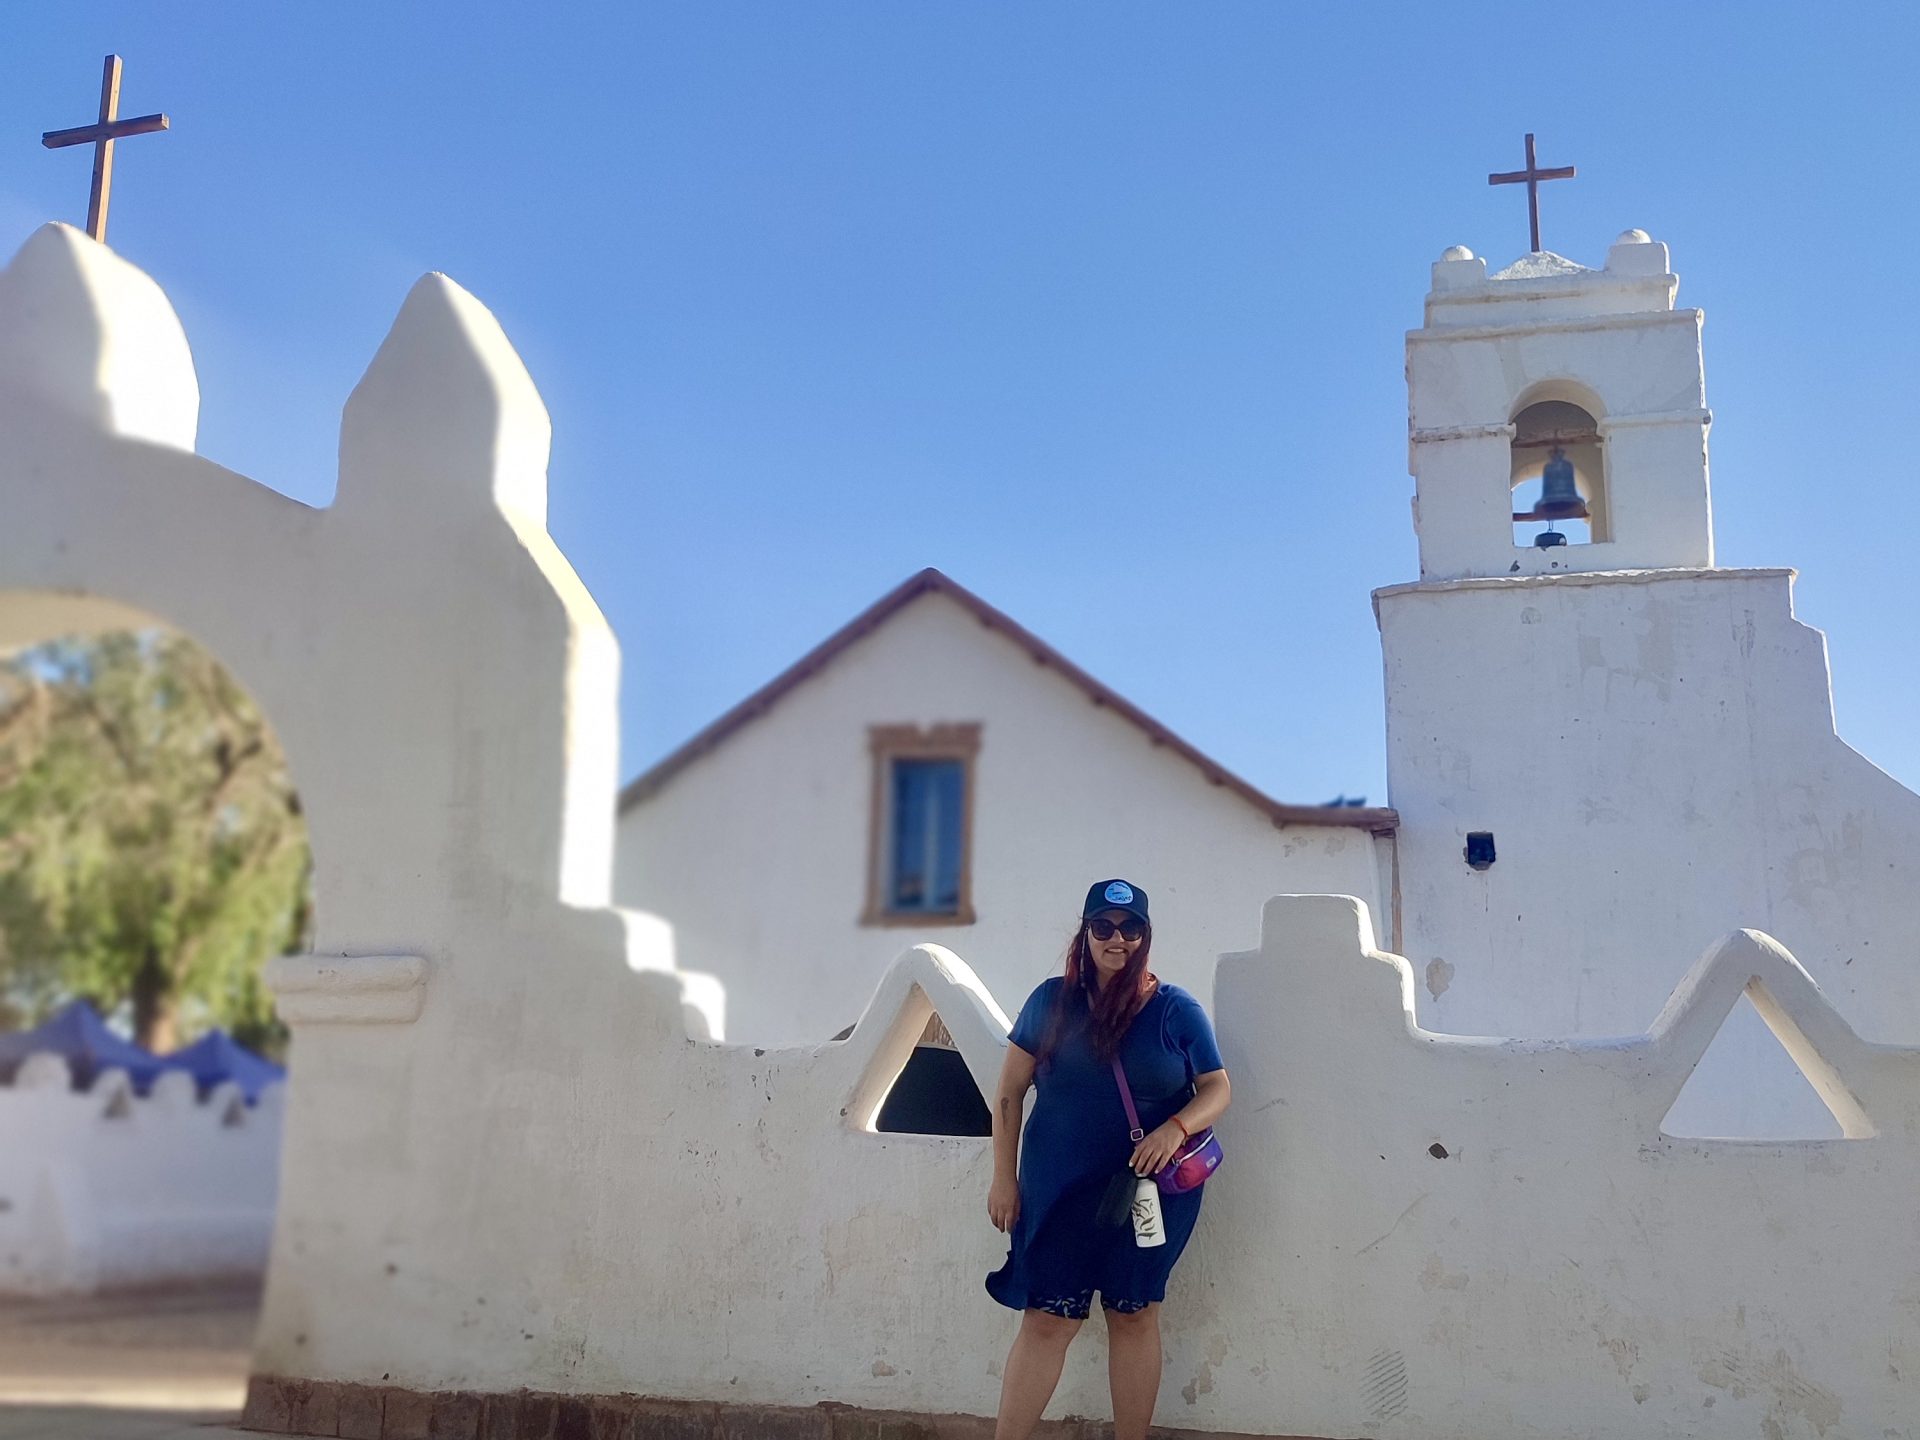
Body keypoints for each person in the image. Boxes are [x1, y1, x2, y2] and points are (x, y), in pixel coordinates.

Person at [985, 878, 1232, 1440]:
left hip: (1145, 1197)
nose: (1116, 939)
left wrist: (1176, 1127)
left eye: (1130, 929)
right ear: (1086, 932)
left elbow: (1217, 1089)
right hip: (1059, 1191)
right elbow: (1008, 1094)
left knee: (1134, 1315)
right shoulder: (1051, 1001)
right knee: (1048, 1320)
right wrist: (1003, 1177)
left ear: (1145, 936)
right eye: (1103, 927)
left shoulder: (1174, 1010)